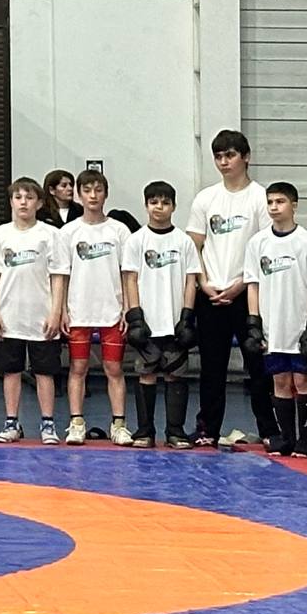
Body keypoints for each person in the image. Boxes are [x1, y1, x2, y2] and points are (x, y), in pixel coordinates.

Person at [187, 129, 269, 448]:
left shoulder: (260, 197)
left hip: (246, 293)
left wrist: (240, 284)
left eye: (230, 155)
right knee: (211, 366)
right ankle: (207, 428)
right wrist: (204, 283)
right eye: (219, 156)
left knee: (257, 364)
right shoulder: (205, 198)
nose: (224, 162)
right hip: (210, 294)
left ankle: (268, 429)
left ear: (245, 157)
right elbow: (194, 246)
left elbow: (265, 248)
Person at [0, 179, 70, 443]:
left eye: (29, 197)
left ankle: (48, 424)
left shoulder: (50, 234)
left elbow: (58, 275)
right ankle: (12, 423)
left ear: (40, 203)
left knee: (44, 371)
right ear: (11, 202)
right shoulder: (0, 234)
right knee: (11, 370)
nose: (23, 202)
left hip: (41, 316)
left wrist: (56, 311)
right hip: (9, 315)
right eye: (18, 197)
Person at [248, 181, 307, 457]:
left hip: (298, 324)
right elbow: (253, 284)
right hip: (272, 327)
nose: (274, 207)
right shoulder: (258, 243)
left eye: (280, 201)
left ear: (294, 205)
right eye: (270, 202)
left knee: (304, 381)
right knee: (280, 381)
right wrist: (254, 321)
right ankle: (286, 438)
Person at [123, 181, 200, 447]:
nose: (159, 207)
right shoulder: (136, 240)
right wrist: (135, 316)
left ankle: (175, 431)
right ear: (146, 205)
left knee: (175, 374)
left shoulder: (184, 241)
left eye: (165, 202)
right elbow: (130, 279)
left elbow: (191, 280)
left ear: (174, 206)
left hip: (174, 321)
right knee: (146, 374)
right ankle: (145, 430)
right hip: (148, 321)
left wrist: (187, 316)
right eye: (154, 202)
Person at [61, 170, 131, 443]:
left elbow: (128, 273)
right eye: (87, 190)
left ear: (106, 194)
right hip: (79, 311)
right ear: (79, 194)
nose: (93, 196)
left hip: (111, 311)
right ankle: (76, 423)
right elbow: (62, 275)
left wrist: (127, 309)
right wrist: (62, 310)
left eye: (98, 190)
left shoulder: (119, 231)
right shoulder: (68, 232)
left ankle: (119, 424)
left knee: (114, 369)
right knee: (78, 368)